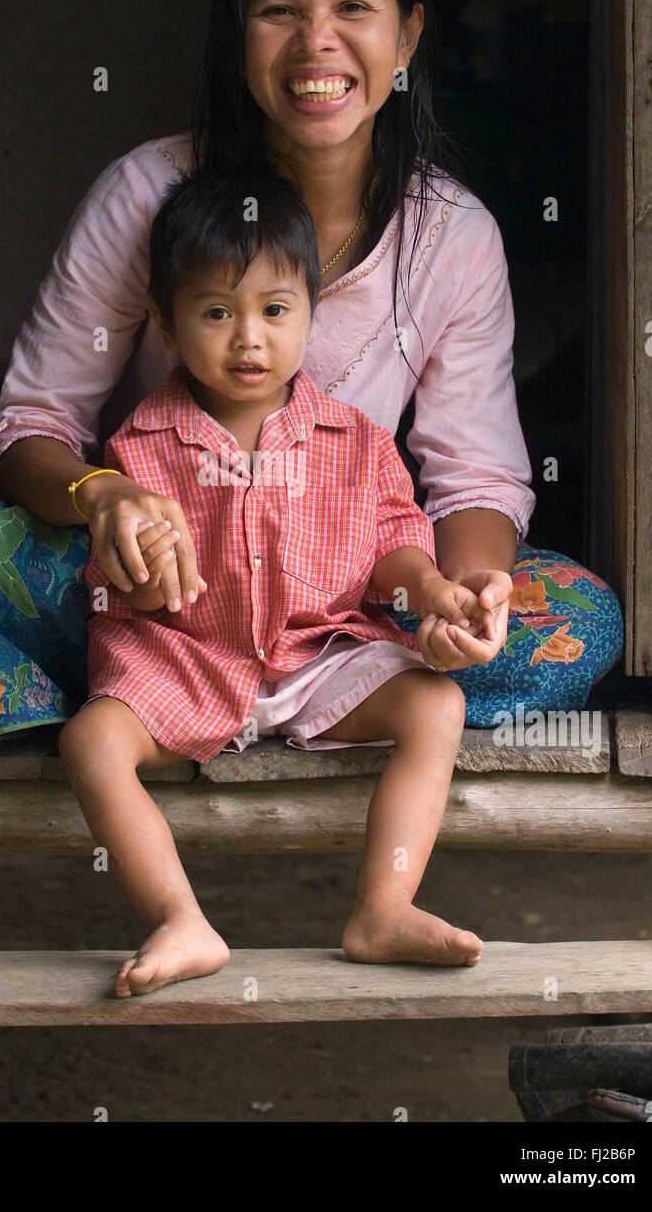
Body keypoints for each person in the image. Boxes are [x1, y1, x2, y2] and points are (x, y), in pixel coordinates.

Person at [0, 0, 623, 742]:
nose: (315, 42)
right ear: (237, 38)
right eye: (278, 10)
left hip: (349, 613)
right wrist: (102, 495)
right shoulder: (146, 196)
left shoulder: (455, 238)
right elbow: (30, 423)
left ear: (406, 37)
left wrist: (463, 600)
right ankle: (190, 700)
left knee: (580, 619)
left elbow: (474, 476)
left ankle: (163, 714)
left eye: (353, 8)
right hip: (158, 605)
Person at [60, 164, 489, 996]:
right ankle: (180, 918)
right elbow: (123, 592)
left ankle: (383, 909)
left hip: (314, 654)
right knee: (91, 741)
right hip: (184, 659)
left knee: (437, 703)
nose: (248, 339)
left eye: (274, 311)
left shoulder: (358, 441)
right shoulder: (138, 452)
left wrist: (432, 592)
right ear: (166, 323)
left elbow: (391, 553)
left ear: (311, 316)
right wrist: (145, 570)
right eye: (216, 312)